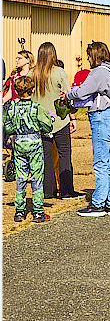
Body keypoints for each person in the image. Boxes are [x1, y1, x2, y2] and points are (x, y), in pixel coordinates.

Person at [63, 41, 110, 217]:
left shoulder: (98, 72)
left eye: (89, 55)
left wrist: (67, 95)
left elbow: (82, 92)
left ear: (95, 55)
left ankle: (98, 204)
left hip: (101, 117)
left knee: (100, 163)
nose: (88, 58)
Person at [31, 42, 84, 200]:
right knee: (64, 154)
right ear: (53, 54)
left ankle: (48, 190)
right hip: (60, 119)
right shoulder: (59, 72)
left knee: (45, 156)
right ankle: (67, 190)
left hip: (40, 121)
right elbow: (67, 97)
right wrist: (73, 118)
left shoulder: (32, 74)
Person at [4, 75, 54, 222]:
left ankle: (20, 211)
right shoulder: (37, 108)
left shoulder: (12, 108)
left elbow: (7, 127)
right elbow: (47, 126)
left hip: (19, 143)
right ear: (33, 90)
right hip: (34, 143)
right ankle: (38, 211)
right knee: (37, 177)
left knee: (20, 178)